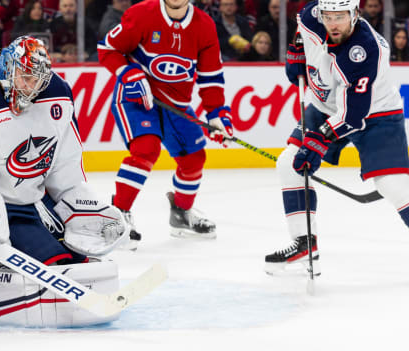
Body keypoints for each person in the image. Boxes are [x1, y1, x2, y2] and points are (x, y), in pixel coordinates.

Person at [0, 36, 129, 326]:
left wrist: (76, 204)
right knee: (58, 264)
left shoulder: (57, 94)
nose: (32, 87)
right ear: (7, 68)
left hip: (38, 201)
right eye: (26, 77)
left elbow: (65, 165)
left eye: (38, 80)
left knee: (83, 259)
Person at [265, 0, 409, 275]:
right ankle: (304, 243)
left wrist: (318, 142)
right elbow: (302, 32)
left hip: (375, 113)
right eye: (328, 16)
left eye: (340, 17)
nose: (333, 24)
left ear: (355, 14)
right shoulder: (309, 16)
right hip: (324, 105)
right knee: (289, 164)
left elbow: (353, 115)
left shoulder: (365, 50)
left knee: (394, 186)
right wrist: (297, 52)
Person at [97, 0, 235, 248]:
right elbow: (108, 48)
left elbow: (211, 75)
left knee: (194, 159)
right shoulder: (141, 14)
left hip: (176, 105)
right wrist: (129, 73)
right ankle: (118, 215)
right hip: (136, 98)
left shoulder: (204, 25)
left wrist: (217, 114)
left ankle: (181, 214)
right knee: (145, 150)